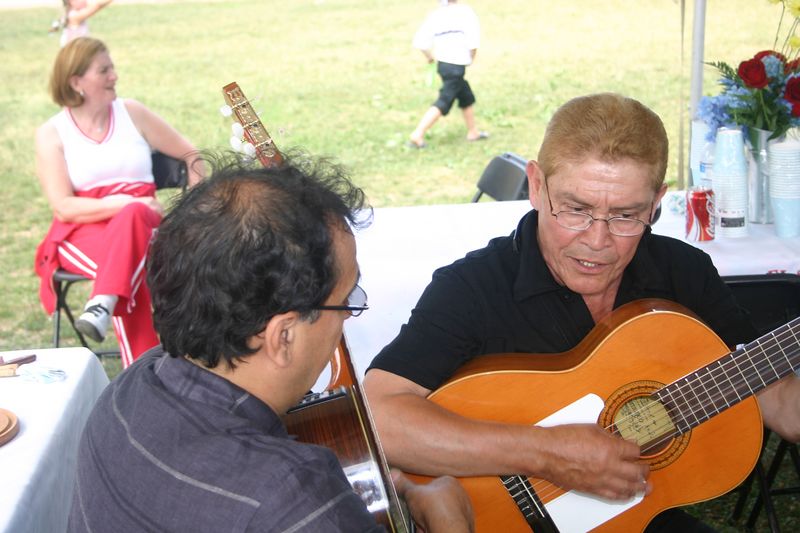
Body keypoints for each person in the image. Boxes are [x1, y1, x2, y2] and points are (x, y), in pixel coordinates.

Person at [364, 93, 800, 531]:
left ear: (657, 203)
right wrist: (548, 454)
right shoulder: (473, 287)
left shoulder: (683, 273)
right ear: (536, 186)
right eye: (576, 209)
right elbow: (380, 418)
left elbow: (776, 397)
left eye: (626, 215)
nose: (596, 240)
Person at [67, 154, 474, 533]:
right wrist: (450, 522)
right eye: (346, 299)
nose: (350, 315)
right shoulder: (296, 502)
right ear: (283, 336)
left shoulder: (128, 387)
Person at [34, 37, 203, 367]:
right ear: (76, 81)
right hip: (83, 228)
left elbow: (191, 155)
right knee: (132, 267)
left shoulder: (132, 113)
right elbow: (64, 207)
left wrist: (195, 208)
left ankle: (106, 311)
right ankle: (151, 362)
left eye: (111, 68)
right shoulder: (52, 133)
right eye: (104, 70)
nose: (115, 76)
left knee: (132, 238)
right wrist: (125, 203)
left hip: (148, 224)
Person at [407, 0, 487, 149]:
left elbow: (420, 41)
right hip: (457, 66)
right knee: (445, 100)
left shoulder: (436, 14)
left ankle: (473, 131)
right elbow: (473, 40)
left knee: (465, 95)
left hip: (443, 65)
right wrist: (471, 58)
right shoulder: (465, 12)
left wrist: (429, 57)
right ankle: (418, 134)